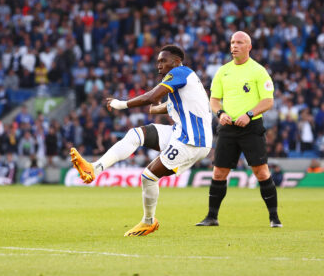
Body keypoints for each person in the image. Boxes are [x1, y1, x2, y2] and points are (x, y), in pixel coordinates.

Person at [70, 45, 212, 236]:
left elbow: (152, 96)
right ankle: (94, 168)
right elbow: (172, 104)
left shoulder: (180, 72)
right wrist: (157, 109)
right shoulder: (186, 81)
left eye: (163, 61)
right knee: (135, 135)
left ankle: (148, 221)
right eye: (158, 61)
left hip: (192, 140)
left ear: (177, 61)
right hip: (181, 132)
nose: (159, 65)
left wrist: (121, 104)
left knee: (148, 176)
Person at [196, 31, 282, 228]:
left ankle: (274, 218)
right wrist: (220, 114)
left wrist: (249, 114)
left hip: (251, 128)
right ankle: (211, 217)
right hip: (227, 128)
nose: (234, 46)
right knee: (218, 172)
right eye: (232, 42)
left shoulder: (259, 71)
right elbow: (214, 100)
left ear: (249, 47)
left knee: (261, 172)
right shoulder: (222, 71)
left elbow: (268, 101)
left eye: (239, 42)